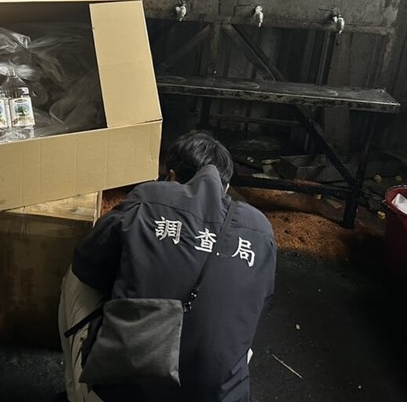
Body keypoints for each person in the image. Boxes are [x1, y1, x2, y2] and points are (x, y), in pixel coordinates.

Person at [58, 130, 276, 402]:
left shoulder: (150, 198)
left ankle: (76, 394)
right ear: (227, 187)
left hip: (126, 391)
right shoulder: (260, 229)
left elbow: (87, 264)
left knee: (75, 278)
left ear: (171, 176)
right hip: (218, 395)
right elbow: (261, 302)